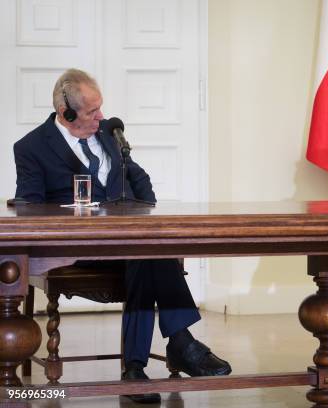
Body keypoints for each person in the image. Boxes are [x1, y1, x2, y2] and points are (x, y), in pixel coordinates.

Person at [13, 69, 231, 404]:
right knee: (151, 251)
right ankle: (179, 344)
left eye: (101, 108)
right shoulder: (31, 147)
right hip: (79, 246)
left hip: (127, 241)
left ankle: (135, 368)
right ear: (66, 113)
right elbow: (29, 206)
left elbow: (140, 180)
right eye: (91, 111)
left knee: (147, 250)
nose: (100, 116)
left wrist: (143, 211)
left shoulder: (108, 134)